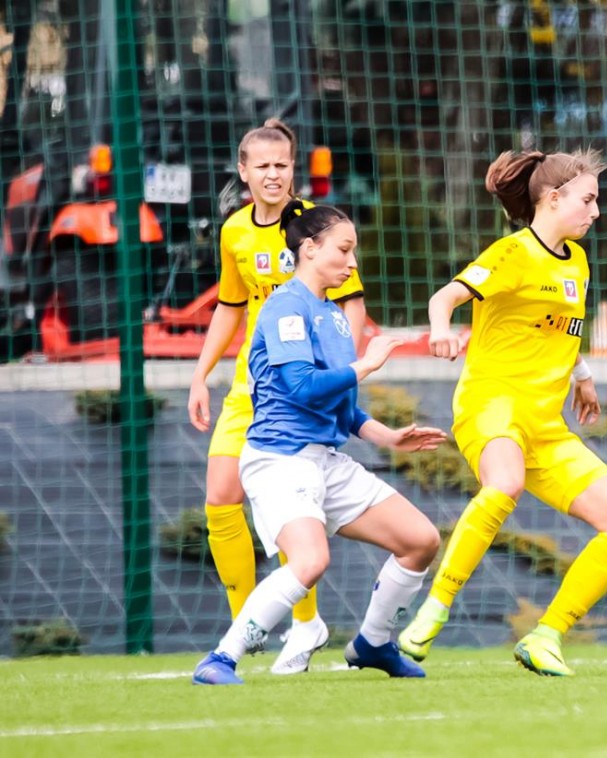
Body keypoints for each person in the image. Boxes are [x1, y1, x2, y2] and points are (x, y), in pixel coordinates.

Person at [396, 149, 607, 677]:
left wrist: (582, 376)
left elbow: (559, 327)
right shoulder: (511, 253)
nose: (596, 211)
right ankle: (433, 610)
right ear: (553, 199)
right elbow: (444, 298)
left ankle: (545, 636)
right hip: (490, 403)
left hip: (544, 425)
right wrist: (439, 330)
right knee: (504, 484)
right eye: (588, 200)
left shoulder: (577, 262)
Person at [192, 201, 446, 685]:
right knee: (310, 561)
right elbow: (302, 387)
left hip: (324, 460)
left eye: (354, 252)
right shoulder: (284, 306)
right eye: (344, 250)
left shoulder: (333, 317)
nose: (352, 262)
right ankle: (221, 658)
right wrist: (366, 364)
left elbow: (341, 408)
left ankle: (373, 644)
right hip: (279, 459)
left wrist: (388, 436)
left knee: (420, 541)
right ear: (309, 248)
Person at [187, 120, 367, 675]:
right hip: (251, 385)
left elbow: (353, 305)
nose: (272, 175)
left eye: (281, 165)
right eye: (262, 166)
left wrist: (344, 371)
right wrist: (200, 375)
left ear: (293, 169)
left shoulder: (317, 227)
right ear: (243, 171)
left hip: (299, 390)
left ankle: (305, 622)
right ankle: (249, 625)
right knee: (220, 499)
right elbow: (230, 307)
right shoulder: (234, 231)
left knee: (293, 510)